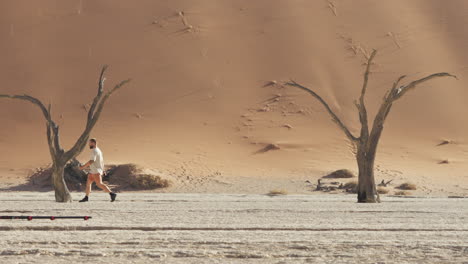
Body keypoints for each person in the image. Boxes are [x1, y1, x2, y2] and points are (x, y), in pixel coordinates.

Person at [78, 138, 117, 202]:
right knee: (88, 184)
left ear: (93, 143)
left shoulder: (94, 151)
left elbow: (91, 161)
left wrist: (83, 167)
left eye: (90, 143)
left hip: (96, 171)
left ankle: (112, 194)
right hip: (93, 171)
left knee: (99, 184)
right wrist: (102, 169)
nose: (89, 144)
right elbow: (101, 161)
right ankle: (86, 197)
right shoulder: (98, 150)